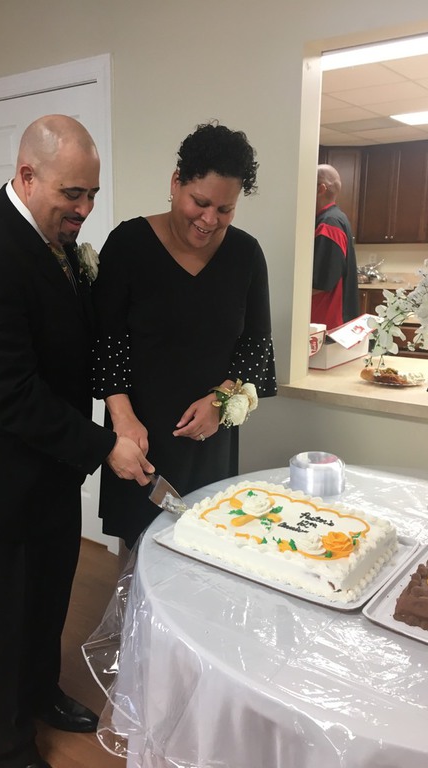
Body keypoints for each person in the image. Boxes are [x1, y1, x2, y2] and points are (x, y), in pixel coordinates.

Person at [0, 115, 153, 768]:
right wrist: (104, 446)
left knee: (47, 598)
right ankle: (4, 746)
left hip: (49, 467)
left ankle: (41, 694)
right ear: (26, 176)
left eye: (91, 194)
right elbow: (12, 394)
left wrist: (120, 408)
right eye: (71, 194)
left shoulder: (57, 242)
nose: (84, 209)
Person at [92, 121, 277, 552]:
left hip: (210, 437)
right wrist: (122, 418)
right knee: (140, 555)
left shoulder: (246, 255)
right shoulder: (128, 244)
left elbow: (256, 347)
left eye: (225, 209)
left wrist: (221, 401)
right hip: (138, 433)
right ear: (176, 183)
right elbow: (105, 341)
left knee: (209, 549)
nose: (210, 219)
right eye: (201, 202)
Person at [311, 164, 359, 329]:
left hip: (327, 322)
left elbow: (321, 282)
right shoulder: (338, 218)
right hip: (334, 320)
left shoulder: (328, 224)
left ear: (321, 189)